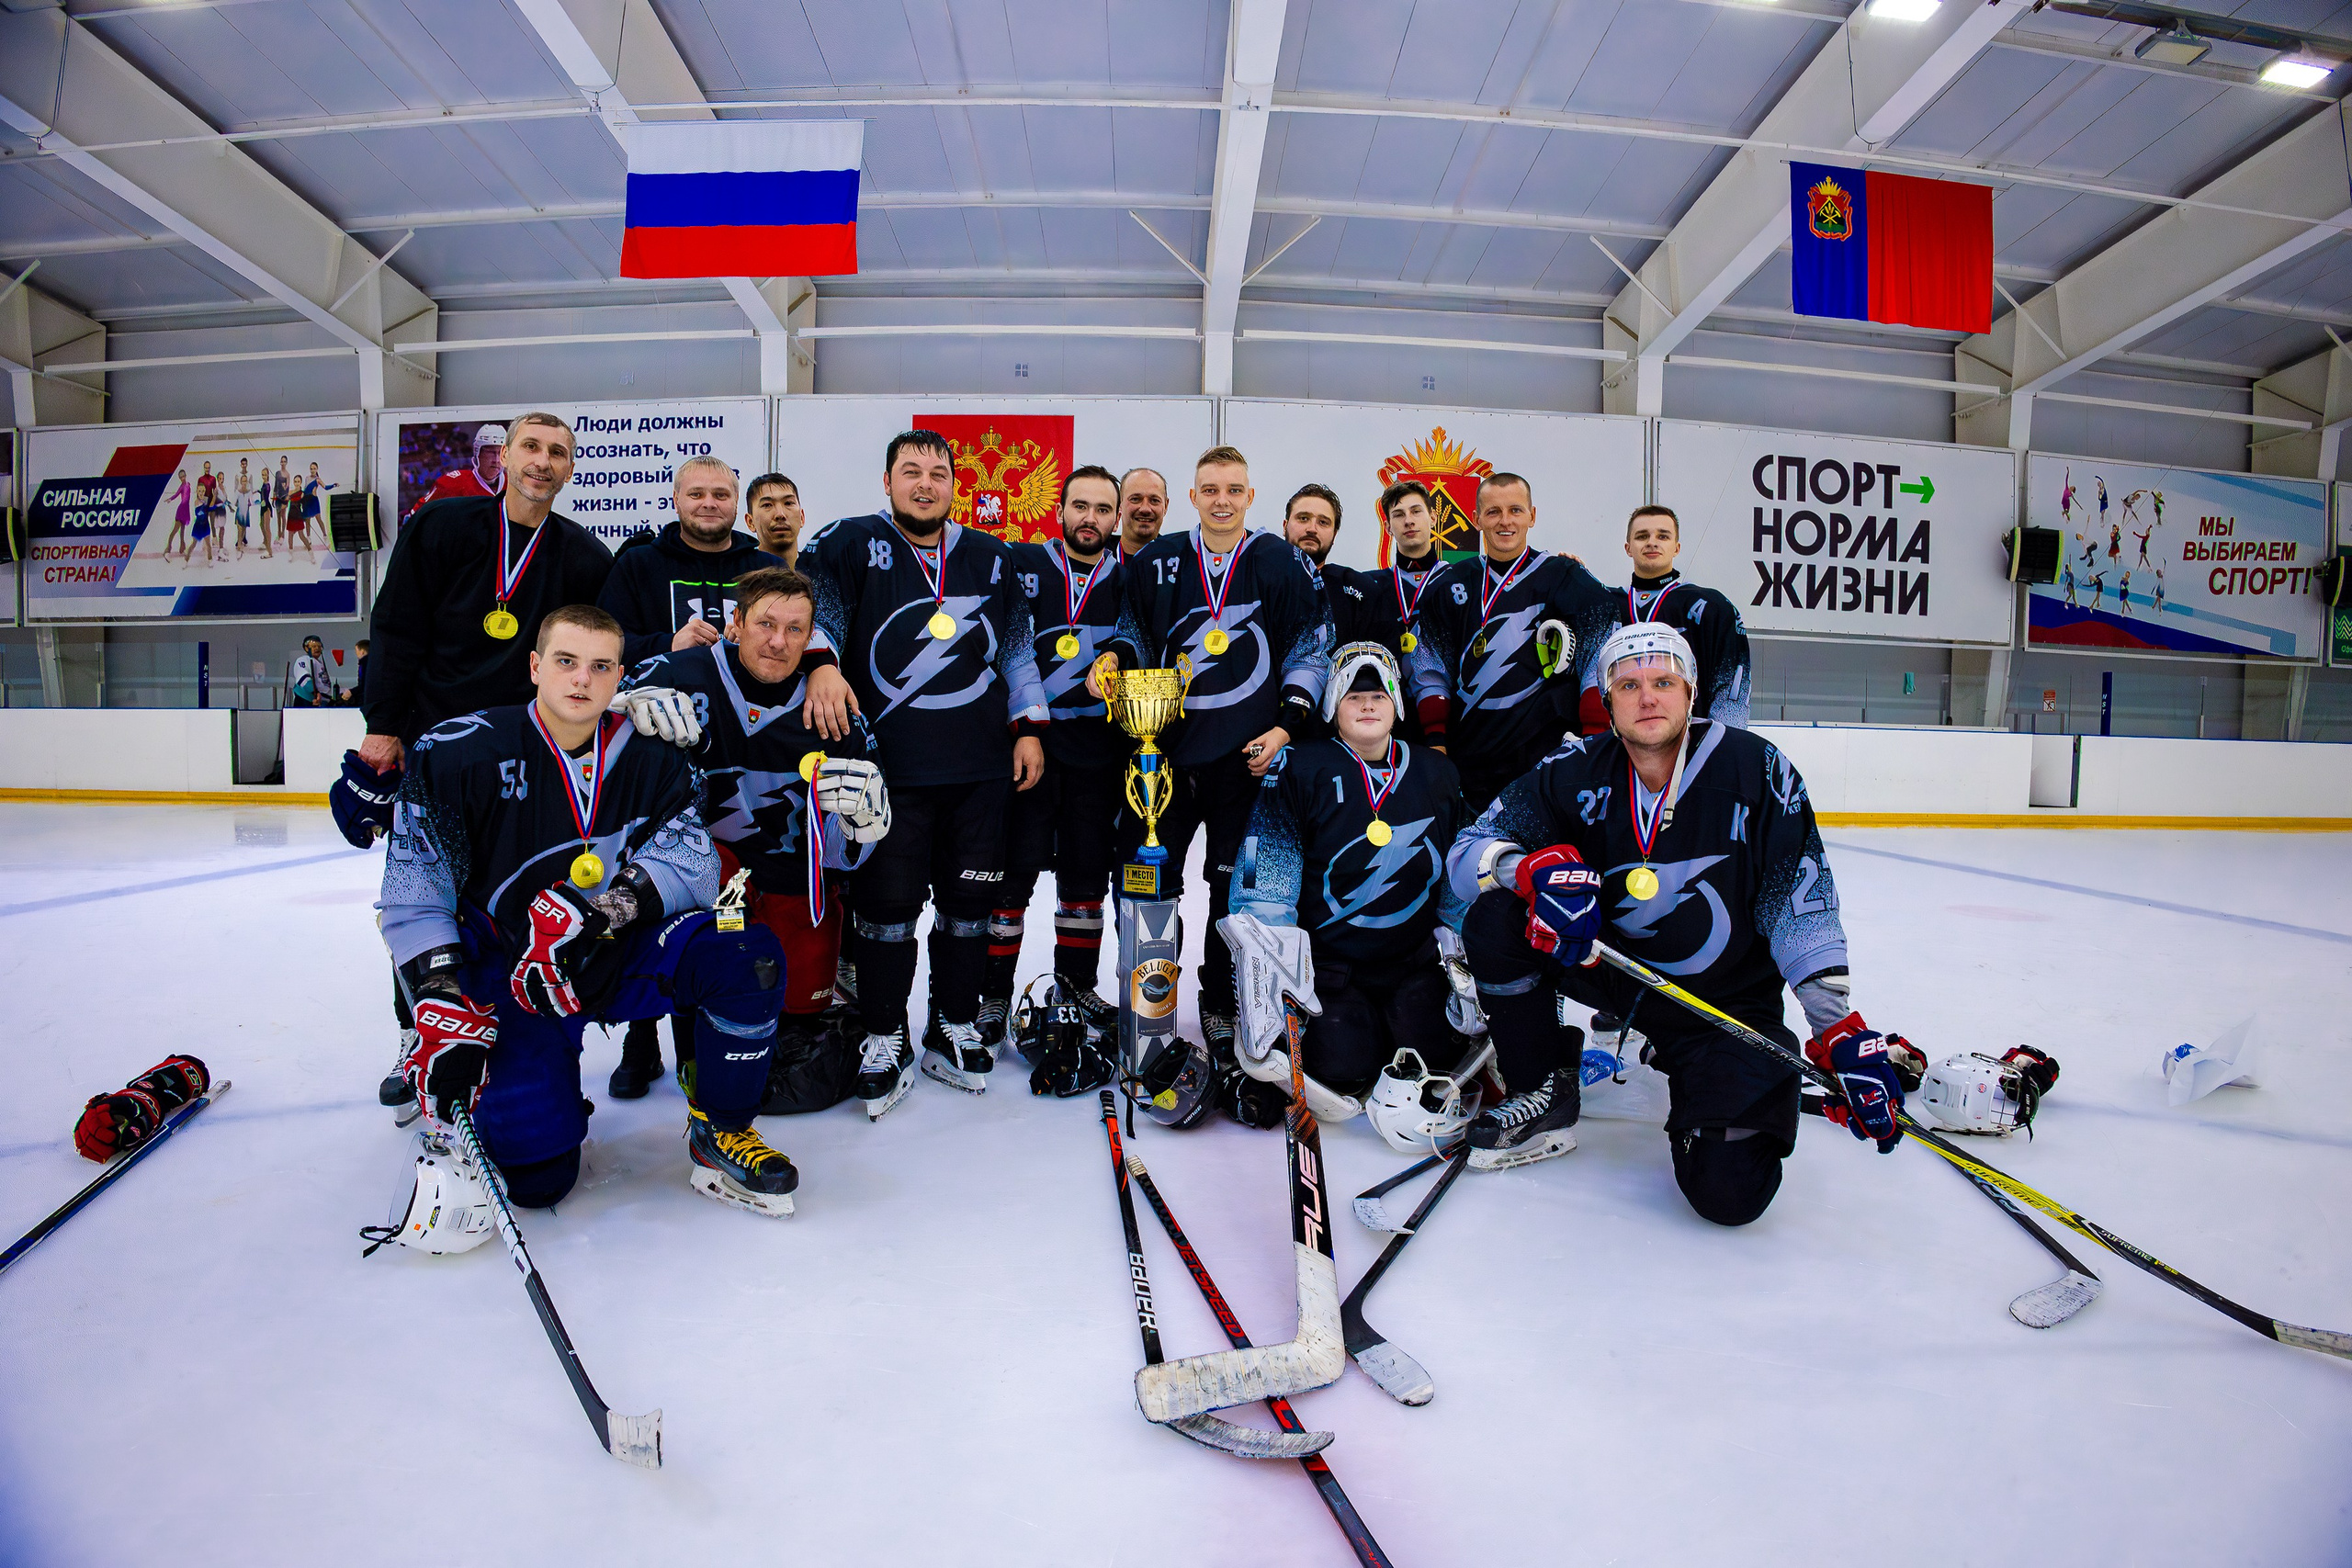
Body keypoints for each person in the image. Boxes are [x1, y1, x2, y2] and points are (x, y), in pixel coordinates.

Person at [1445, 622, 1923, 1208]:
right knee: (1496, 917)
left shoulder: (1757, 770)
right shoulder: (1570, 768)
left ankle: (1704, 1081)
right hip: (1617, 971)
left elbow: (1799, 904)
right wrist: (1529, 870)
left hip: (1721, 1006)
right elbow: (1467, 853)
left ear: (1691, 693)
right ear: (1606, 700)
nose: (1647, 697)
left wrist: (1836, 1029)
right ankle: (1543, 1082)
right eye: (1629, 685)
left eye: (1664, 681)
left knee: (1730, 1193)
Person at [379, 604, 795, 1218]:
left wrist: (605, 913)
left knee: (743, 954)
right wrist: (438, 995)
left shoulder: (652, 752)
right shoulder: (456, 752)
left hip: (607, 951)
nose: (581, 680)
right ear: (534, 666)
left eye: (600, 667)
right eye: (567, 662)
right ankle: (451, 1042)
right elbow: (416, 891)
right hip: (510, 969)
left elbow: (694, 863)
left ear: (619, 675)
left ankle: (721, 1127)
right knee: (538, 1178)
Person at [804, 430, 1047, 1113]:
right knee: (885, 912)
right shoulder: (846, 542)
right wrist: (822, 665)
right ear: (887, 481)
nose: (924, 483)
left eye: (938, 472)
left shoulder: (992, 557)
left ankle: (952, 1019)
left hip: (979, 768)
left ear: (953, 485)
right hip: (887, 769)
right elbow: (819, 619)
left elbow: (1019, 654)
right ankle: (884, 1032)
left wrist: (1028, 729)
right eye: (910, 471)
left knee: (970, 909)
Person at [1091, 444, 1333, 1066]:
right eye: (1209, 488)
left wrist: (1286, 727)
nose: (1221, 499)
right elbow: (1134, 630)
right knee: (1146, 881)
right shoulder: (1158, 560)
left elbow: (1310, 649)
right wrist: (1115, 659)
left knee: (1234, 896)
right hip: (1162, 761)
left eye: (1233, 488)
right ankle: (1147, 1013)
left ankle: (1222, 1012)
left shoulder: (1280, 561)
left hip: (1247, 763)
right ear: (1193, 496)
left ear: (1250, 497)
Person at [619, 568, 892, 1112]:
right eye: (765, 624)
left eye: (795, 630)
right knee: (667, 926)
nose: (778, 642)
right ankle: (644, 1030)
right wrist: (619, 706)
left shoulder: (834, 711)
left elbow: (843, 856)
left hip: (792, 880)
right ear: (734, 623)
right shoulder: (678, 674)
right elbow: (588, 740)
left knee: (797, 1014)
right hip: (699, 873)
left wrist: (864, 829)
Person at [1227, 642, 1471, 1128]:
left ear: (1397, 706)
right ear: (1332, 707)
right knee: (1343, 1064)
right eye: (1353, 695)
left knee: (1435, 1052)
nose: (1367, 704)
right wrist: (1273, 973)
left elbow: (1459, 877)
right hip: (1334, 972)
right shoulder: (1299, 766)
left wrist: (1466, 950)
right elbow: (1265, 883)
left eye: (1379, 694)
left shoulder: (1436, 771)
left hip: (1411, 963)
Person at [360, 414, 616, 774]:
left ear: (569, 470)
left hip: (533, 745)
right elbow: (396, 628)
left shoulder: (588, 557)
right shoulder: (440, 525)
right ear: (505, 456)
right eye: (531, 447)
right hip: (434, 735)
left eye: (556, 453)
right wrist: (383, 726)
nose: (542, 462)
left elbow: (593, 657)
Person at [992, 464, 1129, 1058]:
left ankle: (1076, 986)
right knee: (1011, 875)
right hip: (1029, 744)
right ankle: (992, 993)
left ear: (1117, 518)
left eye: (1103, 509)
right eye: (1081, 505)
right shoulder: (1020, 565)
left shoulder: (1129, 577)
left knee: (1085, 878)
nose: (1090, 518)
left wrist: (1122, 655)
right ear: (1061, 510)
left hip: (1097, 750)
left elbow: (1141, 638)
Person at [1404, 472, 1611, 816]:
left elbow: (1601, 650)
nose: (1505, 521)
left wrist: (1594, 739)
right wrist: (1436, 741)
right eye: (1493, 511)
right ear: (1476, 518)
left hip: (1546, 755)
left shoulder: (1564, 575)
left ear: (1532, 515)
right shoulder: (1451, 581)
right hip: (1469, 760)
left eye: (1515, 510)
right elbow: (1429, 665)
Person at [1577, 503, 1751, 735]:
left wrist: (1721, 745)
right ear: (1628, 548)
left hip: (1685, 747)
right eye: (1642, 536)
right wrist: (1571, 578)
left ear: (1676, 547)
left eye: (1663, 536)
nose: (1652, 542)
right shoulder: (1605, 604)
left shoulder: (1710, 606)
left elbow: (1731, 688)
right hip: (1616, 745)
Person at [597, 457, 783, 667]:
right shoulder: (636, 564)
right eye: (696, 494)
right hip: (657, 697)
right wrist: (671, 644)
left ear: (736, 502)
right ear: (676, 500)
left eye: (721, 495)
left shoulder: (772, 571)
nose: (709, 504)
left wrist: (756, 643)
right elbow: (604, 645)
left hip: (750, 699)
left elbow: (798, 641)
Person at [1282, 482, 1389, 649]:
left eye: (1323, 522)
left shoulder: (1360, 589)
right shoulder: (1257, 582)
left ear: (1334, 535)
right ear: (1285, 526)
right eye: (1303, 518)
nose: (1312, 529)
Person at [407, 423, 506, 522]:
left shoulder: (513, 485)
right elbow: (415, 517)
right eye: (491, 453)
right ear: (478, 453)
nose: (496, 460)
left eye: (500, 453)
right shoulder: (454, 483)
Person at [747, 471, 807, 565]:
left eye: (788, 503)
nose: (780, 514)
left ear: (802, 517)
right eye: (767, 505)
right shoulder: (739, 576)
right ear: (750, 522)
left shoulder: (820, 574)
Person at [1116, 467, 1170, 560]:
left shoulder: (1179, 561)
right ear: (1119, 503)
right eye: (1135, 499)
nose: (1145, 509)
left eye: (1154, 500)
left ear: (1165, 506)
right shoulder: (1097, 555)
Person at [287, 635, 340, 707]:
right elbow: (304, 680)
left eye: (319, 646)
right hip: (307, 701)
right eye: (314, 646)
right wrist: (315, 693)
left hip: (321, 701)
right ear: (306, 648)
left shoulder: (319, 663)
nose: (317, 648)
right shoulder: (303, 660)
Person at [163, 468, 191, 561]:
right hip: (181, 510)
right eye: (181, 477)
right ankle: (167, 549)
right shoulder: (182, 486)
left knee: (182, 531)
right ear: (179, 478)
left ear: (185, 476)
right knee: (175, 530)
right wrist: (170, 499)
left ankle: (182, 548)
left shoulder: (188, 484)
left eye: (183, 476)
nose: (183, 478)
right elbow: (176, 494)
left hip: (186, 510)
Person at [350, 638, 369, 709]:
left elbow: (364, 685)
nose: (356, 653)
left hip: (365, 700)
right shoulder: (373, 663)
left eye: (356, 651)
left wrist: (351, 692)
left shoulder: (364, 664)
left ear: (362, 652)